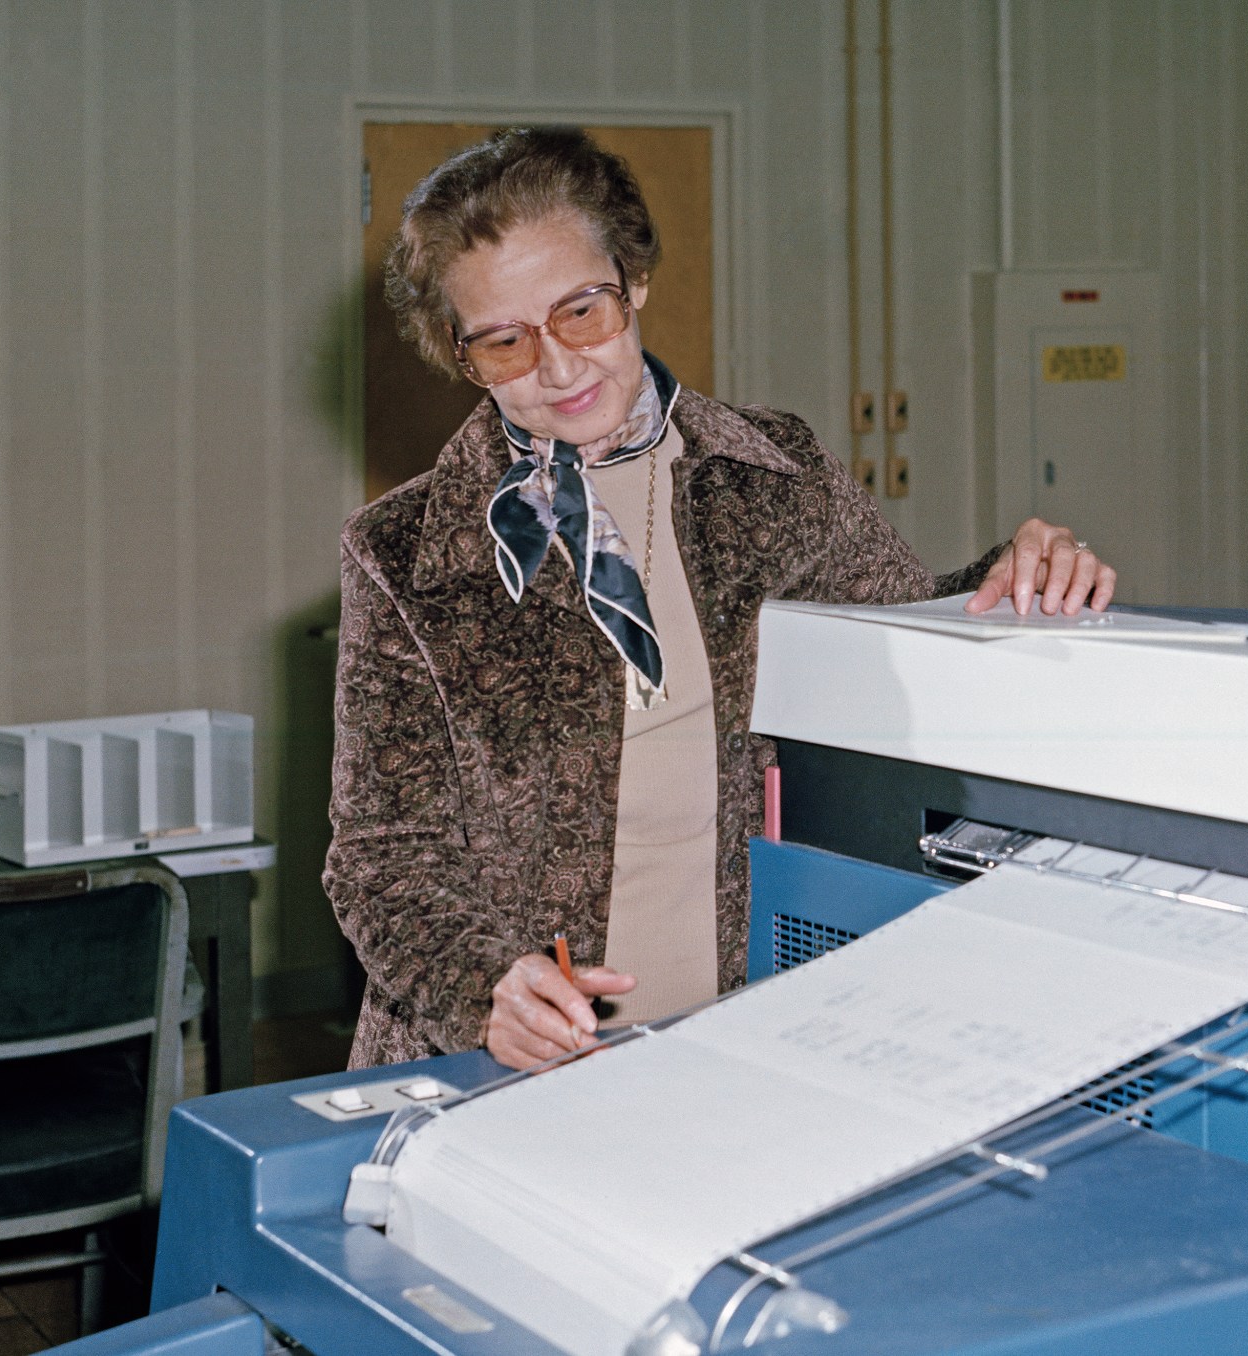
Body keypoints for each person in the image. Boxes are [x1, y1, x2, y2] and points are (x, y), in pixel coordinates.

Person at [325, 128, 1116, 1071]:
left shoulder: (771, 478)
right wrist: (484, 986)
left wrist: (1018, 573)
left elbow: (899, 634)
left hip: (739, 1044)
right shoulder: (405, 554)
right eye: (504, 341)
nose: (560, 366)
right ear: (460, 355)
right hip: (503, 1067)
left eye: (583, 310)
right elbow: (381, 854)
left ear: (635, 282)